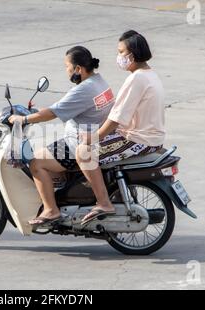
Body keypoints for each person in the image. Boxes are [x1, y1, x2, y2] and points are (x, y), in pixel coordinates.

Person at [9, 46, 114, 226]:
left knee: (36, 162)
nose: (66, 71)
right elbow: (62, 108)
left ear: (78, 69)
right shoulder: (99, 82)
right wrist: (39, 112)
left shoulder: (83, 90)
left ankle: (51, 210)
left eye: (67, 66)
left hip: (77, 143)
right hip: (96, 136)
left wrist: (24, 119)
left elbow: (52, 114)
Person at [76, 30, 166, 225]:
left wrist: (93, 137)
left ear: (132, 54)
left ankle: (103, 203)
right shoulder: (150, 74)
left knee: (83, 152)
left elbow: (116, 119)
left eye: (121, 52)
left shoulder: (137, 79)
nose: (119, 57)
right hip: (149, 136)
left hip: (138, 139)